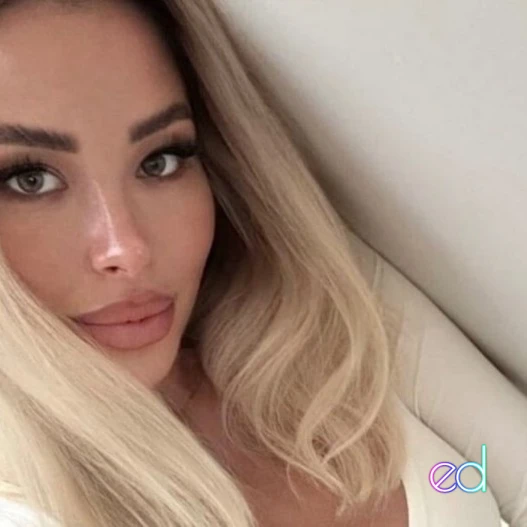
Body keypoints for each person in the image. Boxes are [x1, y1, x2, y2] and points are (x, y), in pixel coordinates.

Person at [0, 0, 408, 525]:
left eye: (160, 160)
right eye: (29, 180)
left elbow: (494, 467)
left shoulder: (332, 326)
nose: (128, 249)